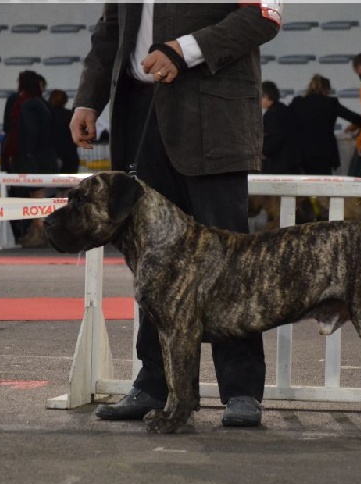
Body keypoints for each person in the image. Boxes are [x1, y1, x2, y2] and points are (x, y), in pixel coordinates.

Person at [70, 2, 281, 427]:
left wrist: (183, 49)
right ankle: (153, 384)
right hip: (139, 115)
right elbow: (110, 31)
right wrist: (88, 101)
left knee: (229, 262)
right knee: (154, 266)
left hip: (212, 116)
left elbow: (264, 16)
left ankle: (240, 390)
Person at [2, 70, 59, 247]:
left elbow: (28, 133)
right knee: (38, 195)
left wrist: (25, 154)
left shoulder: (24, 104)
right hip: (43, 156)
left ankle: (39, 232)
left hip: (31, 157)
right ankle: (39, 232)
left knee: (35, 195)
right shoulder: (42, 103)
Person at [289, 73, 361, 175]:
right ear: (326, 89)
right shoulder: (330, 103)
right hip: (324, 154)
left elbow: (285, 120)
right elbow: (356, 118)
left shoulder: (298, 103)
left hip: (301, 154)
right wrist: (353, 127)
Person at [260, 81, 300, 174]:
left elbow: (275, 137)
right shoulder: (286, 110)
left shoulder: (271, 115)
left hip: (277, 164)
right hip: (292, 162)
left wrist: (264, 152)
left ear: (266, 97)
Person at [48, 89, 81, 174]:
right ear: (65, 100)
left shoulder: (46, 115)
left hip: (52, 153)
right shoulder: (70, 115)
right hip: (70, 153)